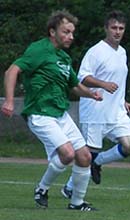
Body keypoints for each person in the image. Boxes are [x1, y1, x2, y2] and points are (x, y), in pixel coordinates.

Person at [1, 9, 103, 211]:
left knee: (84, 157)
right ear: (52, 31)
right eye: (66, 32)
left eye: (72, 33)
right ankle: (42, 188)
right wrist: (10, 101)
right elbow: (12, 70)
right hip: (40, 113)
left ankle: (76, 204)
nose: (70, 37)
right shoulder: (39, 50)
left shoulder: (64, 59)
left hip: (60, 114)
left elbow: (74, 86)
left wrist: (91, 94)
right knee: (67, 154)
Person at [61, 10, 130, 199]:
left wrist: (123, 100)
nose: (117, 32)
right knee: (88, 155)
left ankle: (98, 163)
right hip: (95, 110)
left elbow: (117, 80)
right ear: (106, 28)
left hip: (116, 111)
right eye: (114, 27)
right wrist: (102, 85)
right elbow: (82, 78)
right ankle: (70, 188)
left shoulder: (122, 52)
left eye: (121, 28)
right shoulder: (96, 51)